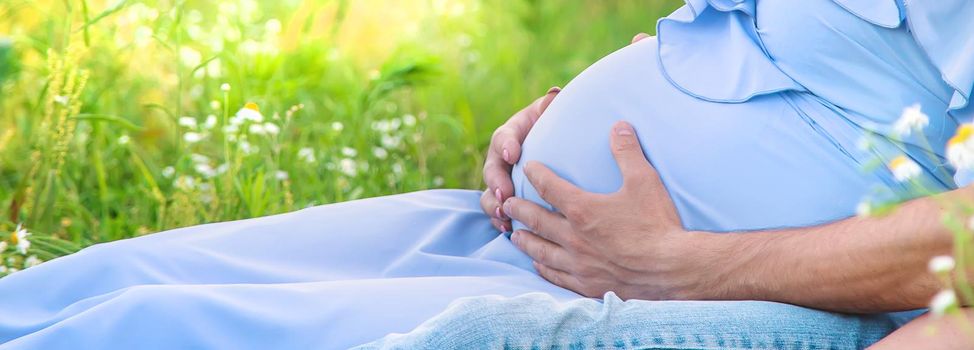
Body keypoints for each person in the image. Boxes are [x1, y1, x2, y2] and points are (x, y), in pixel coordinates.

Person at [1, 0, 971, 349]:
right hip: (530, 234)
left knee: (178, 333)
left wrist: (680, 267)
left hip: (718, 288)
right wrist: (623, 89)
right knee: (123, 283)